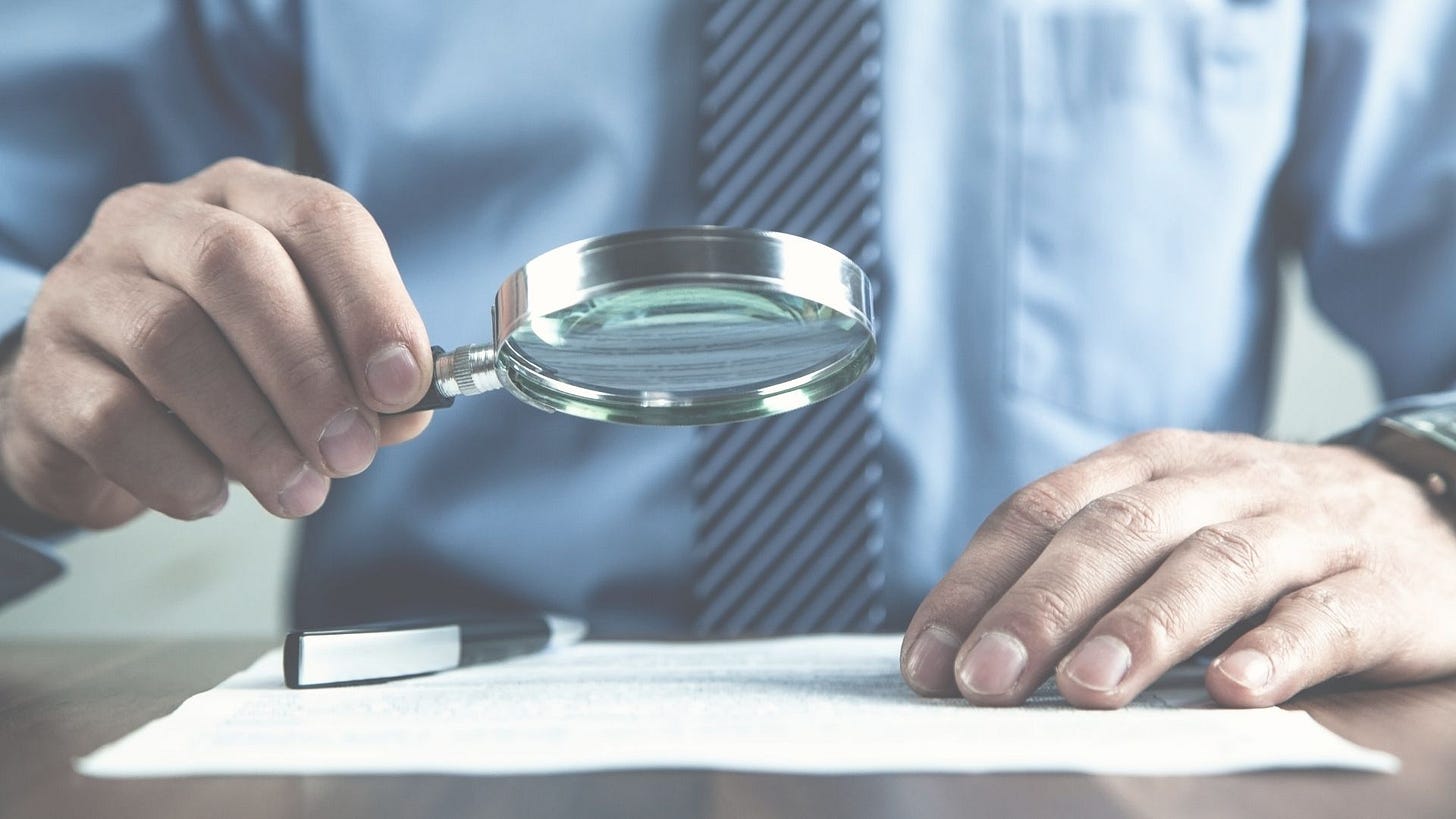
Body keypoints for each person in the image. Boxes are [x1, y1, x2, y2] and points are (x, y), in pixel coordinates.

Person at [2, 1, 1454, 710]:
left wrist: (1421, 487)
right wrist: (30, 405)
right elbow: (32, 274)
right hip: (420, 745)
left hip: (1099, 723)